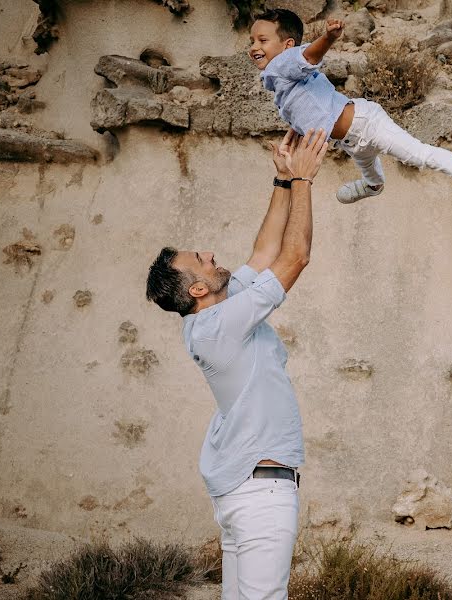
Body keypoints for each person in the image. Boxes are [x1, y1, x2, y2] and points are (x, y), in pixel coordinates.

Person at [145, 128, 328, 600]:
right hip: (262, 497)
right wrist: (306, 180)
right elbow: (296, 256)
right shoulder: (221, 325)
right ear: (199, 290)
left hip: (244, 493)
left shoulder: (213, 316)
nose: (209, 253)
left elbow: (265, 253)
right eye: (199, 261)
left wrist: (283, 181)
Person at [248, 8, 452, 217]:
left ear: (287, 45)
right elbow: (304, 107)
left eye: (262, 40)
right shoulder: (281, 82)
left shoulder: (283, 62)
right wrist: (295, 132)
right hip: (351, 140)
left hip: (366, 124)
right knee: (369, 169)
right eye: (252, 41)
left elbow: (308, 56)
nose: (254, 47)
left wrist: (328, 38)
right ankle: (372, 186)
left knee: (418, 155)